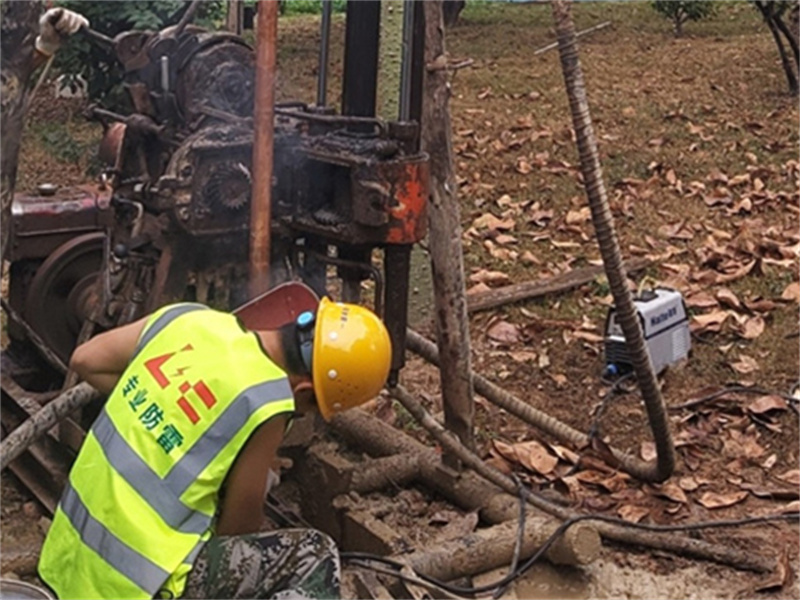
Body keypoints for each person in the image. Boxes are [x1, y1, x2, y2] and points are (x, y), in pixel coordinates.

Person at [37, 286, 392, 599]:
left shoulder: (189, 319)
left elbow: (86, 359)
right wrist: (256, 479)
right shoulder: (268, 401)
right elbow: (236, 530)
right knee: (313, 554)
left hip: (69, 562)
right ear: (304, 391)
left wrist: (168, 407)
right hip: (138, 587)